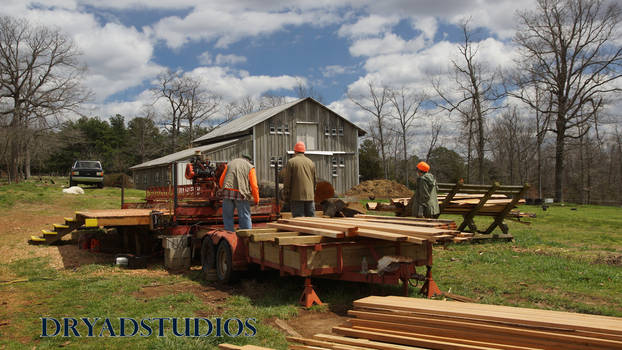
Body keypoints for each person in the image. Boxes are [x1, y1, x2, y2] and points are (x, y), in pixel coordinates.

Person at [219, 154, 259, 231]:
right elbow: (254, 185)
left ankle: (229, 235)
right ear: (249, 160)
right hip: (241, 193)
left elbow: (221, 180)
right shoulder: (250, 167)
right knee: (244, 216)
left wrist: (223, 189)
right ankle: (246, 235)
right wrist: (256, 199)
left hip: (227, 191)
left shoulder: (230, 164)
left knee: (227, 217)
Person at [283, 141, 316, 217]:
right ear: (304, 151)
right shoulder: (311, 162)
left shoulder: (291, 162)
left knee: (299, 219)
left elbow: (287, 180)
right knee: (311, 219)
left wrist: (286, 194)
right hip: (310, 196)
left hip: (296, 196)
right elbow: (314, 180)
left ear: (295, 151)